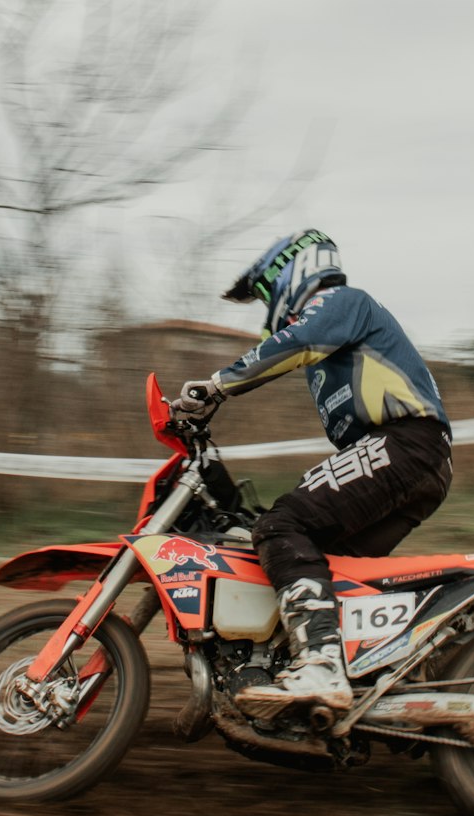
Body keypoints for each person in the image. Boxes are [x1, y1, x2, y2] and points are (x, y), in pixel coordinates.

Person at [169, 229, 453, 715]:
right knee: (324, 564)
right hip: (413, 455)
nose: (267, 306)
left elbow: (297, 340)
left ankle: (320, 665)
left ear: (291, 271)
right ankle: (381, 674)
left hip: (406, 443)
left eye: (265, 292)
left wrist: (216, 386)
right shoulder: (337, 336)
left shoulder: (341, 301)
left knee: (281, 526)